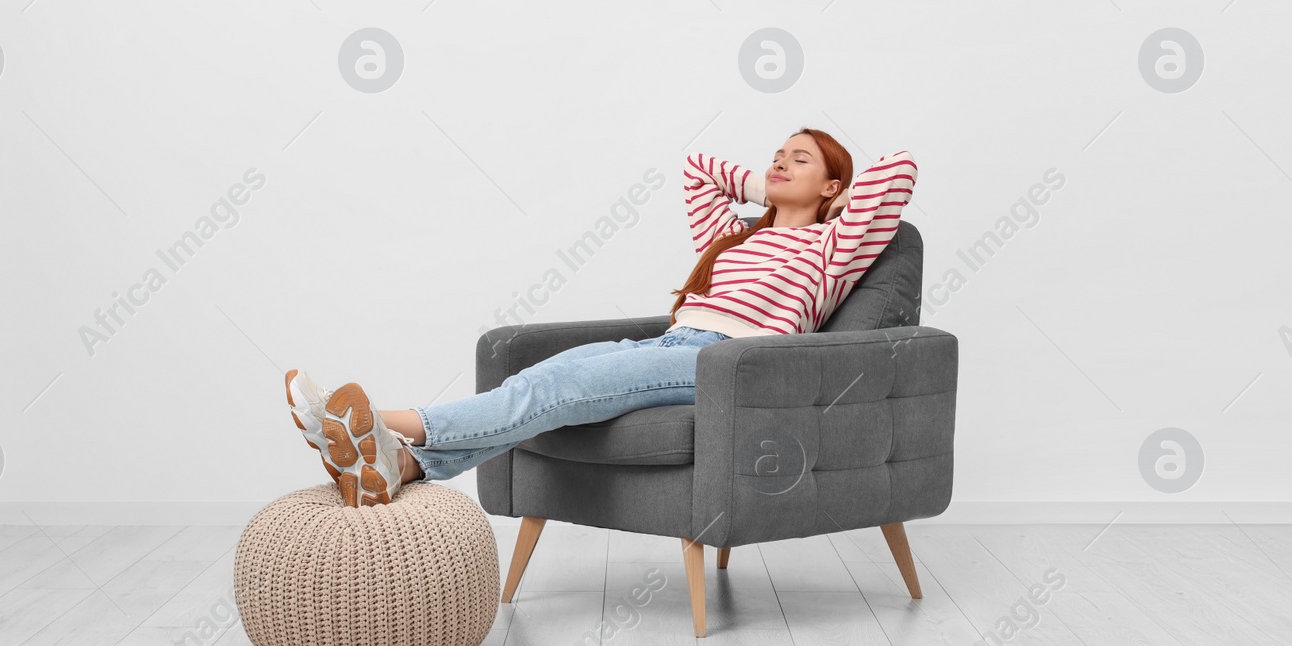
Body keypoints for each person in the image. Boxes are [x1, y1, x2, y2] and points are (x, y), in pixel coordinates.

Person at [285, 126, 917, 507]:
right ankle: (397, 466)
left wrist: (822, 193)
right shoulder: (734, 238)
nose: (779, 161)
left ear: (834, 188)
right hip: (674, 346)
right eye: (776, 152)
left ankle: (370, 422)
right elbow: (697, 171)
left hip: (728, 362)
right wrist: (765, 188)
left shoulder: (833, 248)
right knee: (532, 382)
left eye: (799, 159)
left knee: (553, 389)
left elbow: (898, 171)